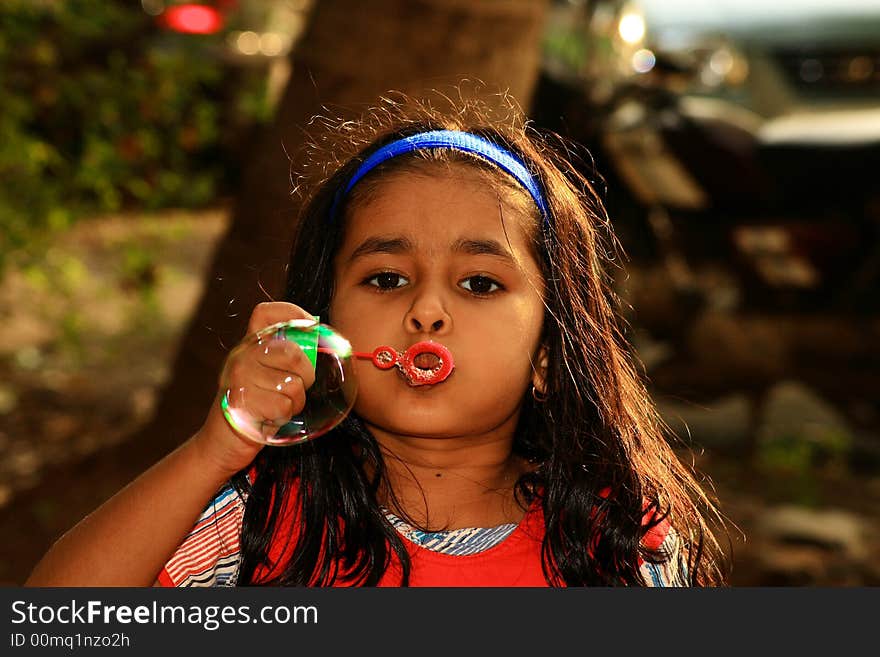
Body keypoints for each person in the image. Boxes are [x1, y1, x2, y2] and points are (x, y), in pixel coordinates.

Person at [25, 90, 728, 587]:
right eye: (387, 279)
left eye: (479, 283)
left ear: (548, 351)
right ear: (322, 324)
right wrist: (218, 447)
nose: (426, 310)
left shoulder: (620, 547)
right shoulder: (256, 522)